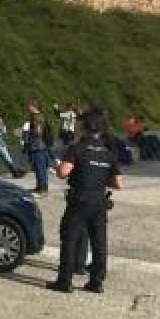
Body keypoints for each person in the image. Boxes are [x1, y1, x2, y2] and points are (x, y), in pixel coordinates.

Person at [49, 107, 124, 294]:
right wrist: (99, 175)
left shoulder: (77, 148)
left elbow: (63, 172)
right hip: (99, 201)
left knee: (70, 238)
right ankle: (96, 282)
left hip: (79, 200)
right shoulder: (109, 152)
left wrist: (58, 166)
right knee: (99, 243)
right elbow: (118, 184)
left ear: (84, 127)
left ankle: (65, 281)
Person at [22, 101, 54, 194]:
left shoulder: (36, 117)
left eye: (30, 106)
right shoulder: (37, 116)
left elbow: (38, 132)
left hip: (37, 146)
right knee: (39, 167)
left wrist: (27, 132)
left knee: (40, 168)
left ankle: (43, 188)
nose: (28, 108)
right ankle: (40, 186)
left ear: (34, 107)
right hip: (40, 145)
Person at [0, 104, 25, 179]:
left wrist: (2, 124)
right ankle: (15, 171)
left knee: (5, 156)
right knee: (5, 156)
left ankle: (15, 171)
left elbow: (4, 131)